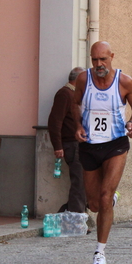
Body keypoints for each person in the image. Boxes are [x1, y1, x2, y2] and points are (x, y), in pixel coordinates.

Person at [73, 41, 132, 264]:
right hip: (90, 146)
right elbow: (75, 104)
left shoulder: (124, 81)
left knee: (104, 196)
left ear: (111, 56)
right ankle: (110, 200)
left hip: (116, 145)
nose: (99, 64)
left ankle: (99, 253)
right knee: (94, 204)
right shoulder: (84, 79)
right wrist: (78, 126)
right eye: (94, 60)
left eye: (103, 59)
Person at [48, 67, 87, 213]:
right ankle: (76, 217)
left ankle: (70, 213)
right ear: (78, 79)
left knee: (83, 181)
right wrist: (58, 146)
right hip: (71, 144)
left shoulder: (75, 94)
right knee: (79, 182)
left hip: (80, 143)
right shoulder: (65, 94)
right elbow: (55, 121)